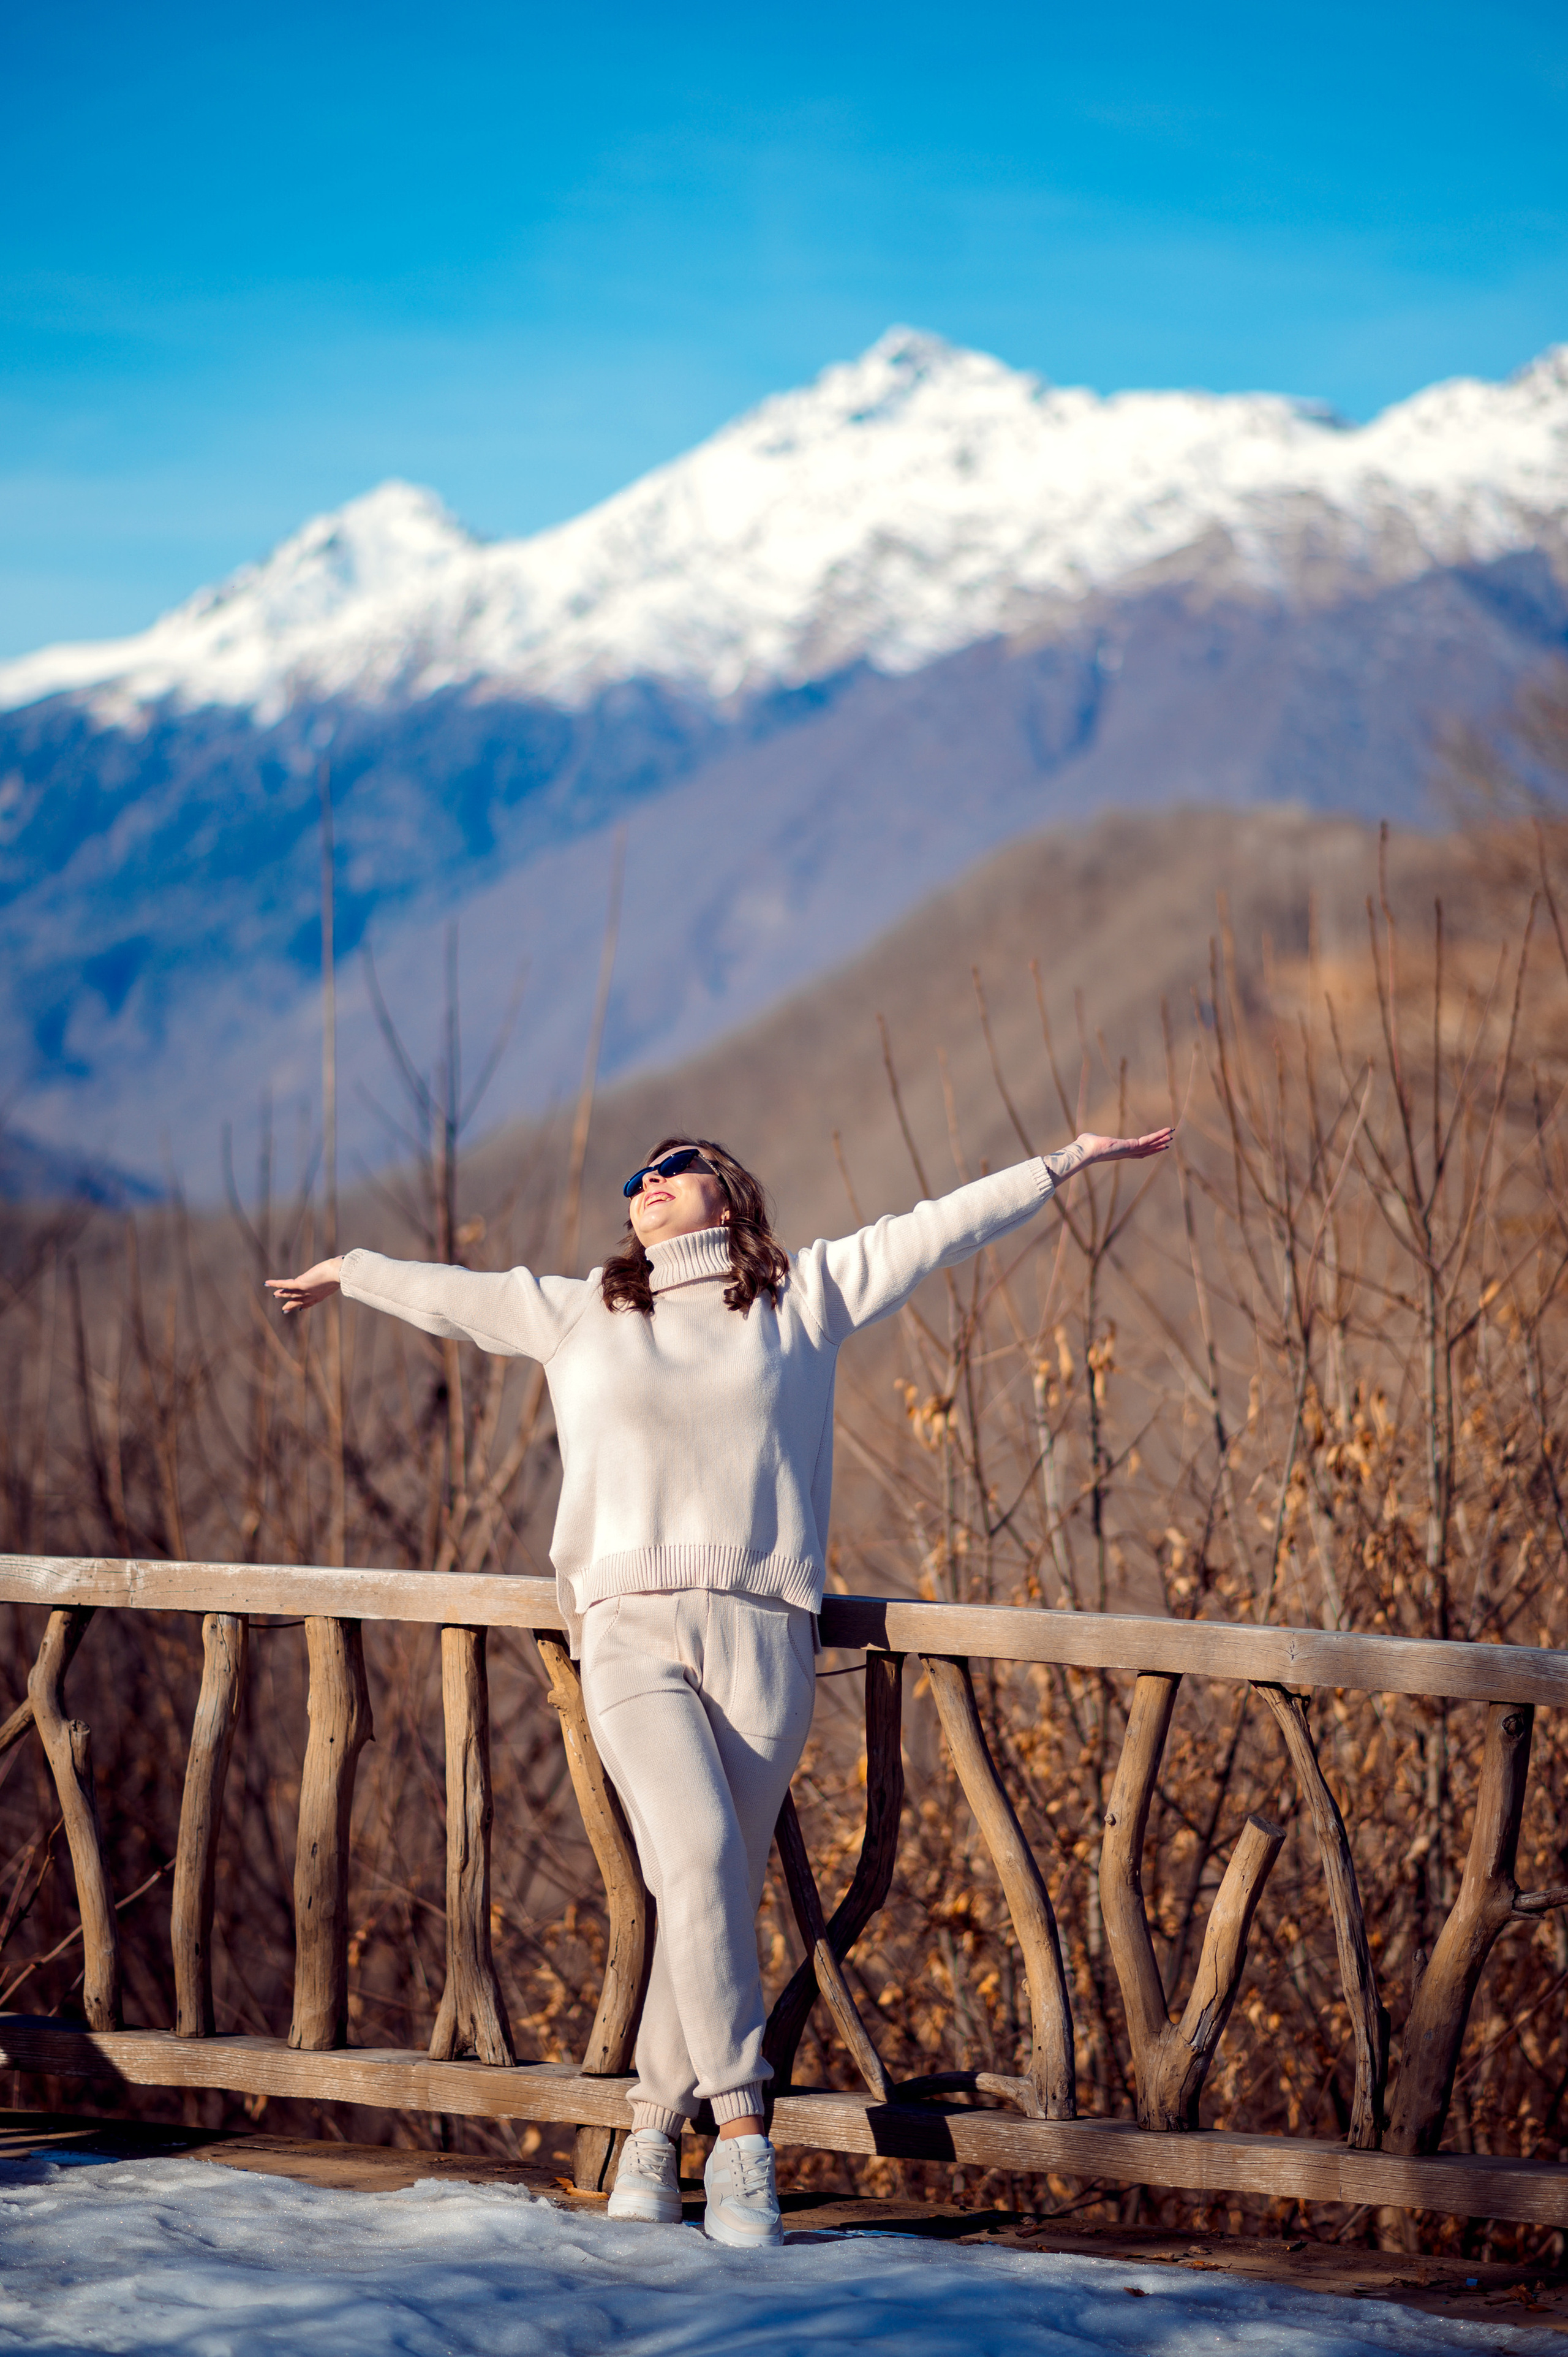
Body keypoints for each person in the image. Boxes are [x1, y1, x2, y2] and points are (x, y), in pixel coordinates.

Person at [268, 1122, 1171, 2244]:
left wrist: (1063, 1162)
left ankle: (652, 2129)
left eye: (674, 1169)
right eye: (637, 1178)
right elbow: (456, 1294)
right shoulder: (584, 1313)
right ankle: (744, 2139)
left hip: (765, 1643)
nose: (647, 1184)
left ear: (729, 1197)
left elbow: (932, 1231)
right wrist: (350, 1271)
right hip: (630, 1636)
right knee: (697, 1857)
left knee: (710, 1898)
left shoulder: (803, 1300)